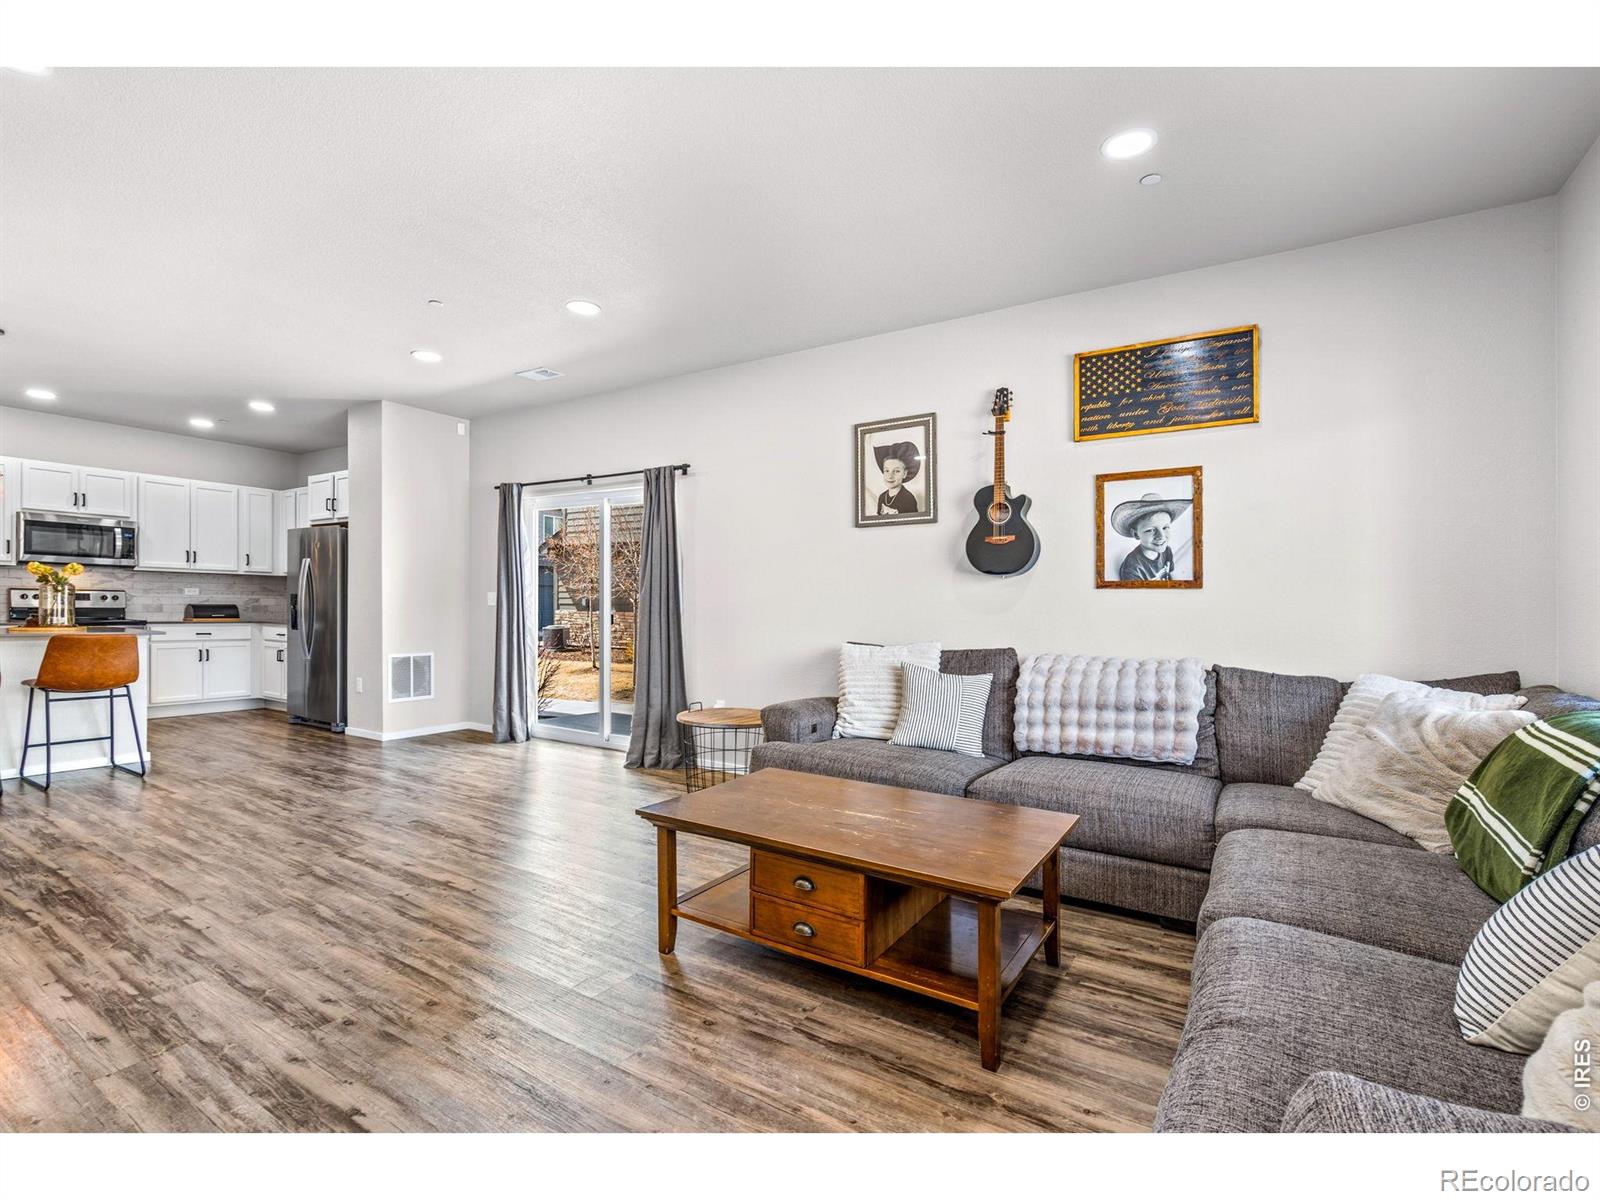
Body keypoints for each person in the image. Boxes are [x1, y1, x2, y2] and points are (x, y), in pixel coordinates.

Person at [1110, 490, 1192, 581]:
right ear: (1136, 534)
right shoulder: (1132, 568)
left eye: (1165, 528)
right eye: (1151, 530)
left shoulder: (1167, 551)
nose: (1161, 536)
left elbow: (1170, 576)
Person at [872, 440, 922, 515]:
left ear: (904, 474)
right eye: (887, 470)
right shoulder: (882, 497)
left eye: (896, 471)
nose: (890, 476)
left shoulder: (908, 499)